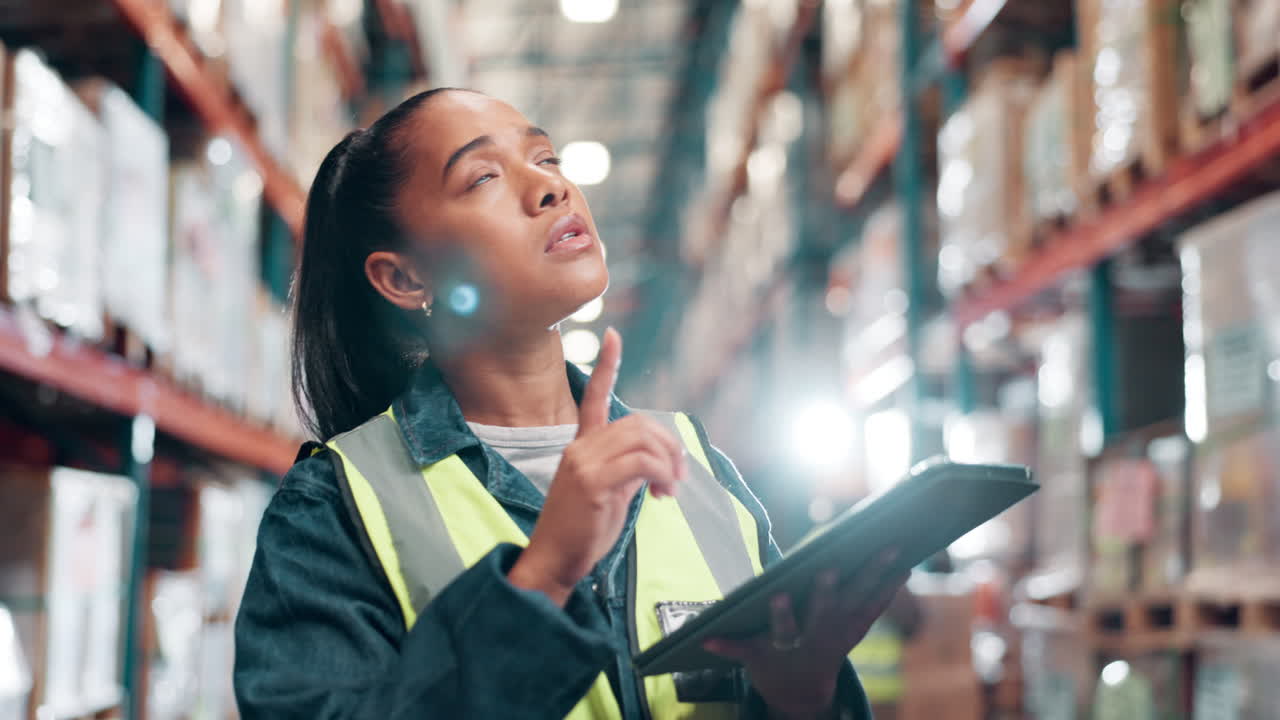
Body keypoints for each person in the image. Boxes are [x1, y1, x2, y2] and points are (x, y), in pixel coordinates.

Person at [233, 87, 908, 720]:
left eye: (546, 157)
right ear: (405, 278)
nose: (550, 187)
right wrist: (544, 576)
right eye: (483, 177)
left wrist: (800, 698)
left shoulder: (693, 462)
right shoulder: (335, 507)